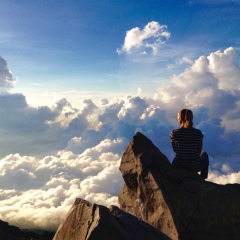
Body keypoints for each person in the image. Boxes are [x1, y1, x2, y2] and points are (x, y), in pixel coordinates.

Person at [170, 108, 209, 179]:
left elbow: (175, 150)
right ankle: (202, 178)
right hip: (194, 166)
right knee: (204, 154)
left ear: (180, 119)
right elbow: (199, 151)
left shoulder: (174, 133)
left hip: (178, 165)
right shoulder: (198, 133)